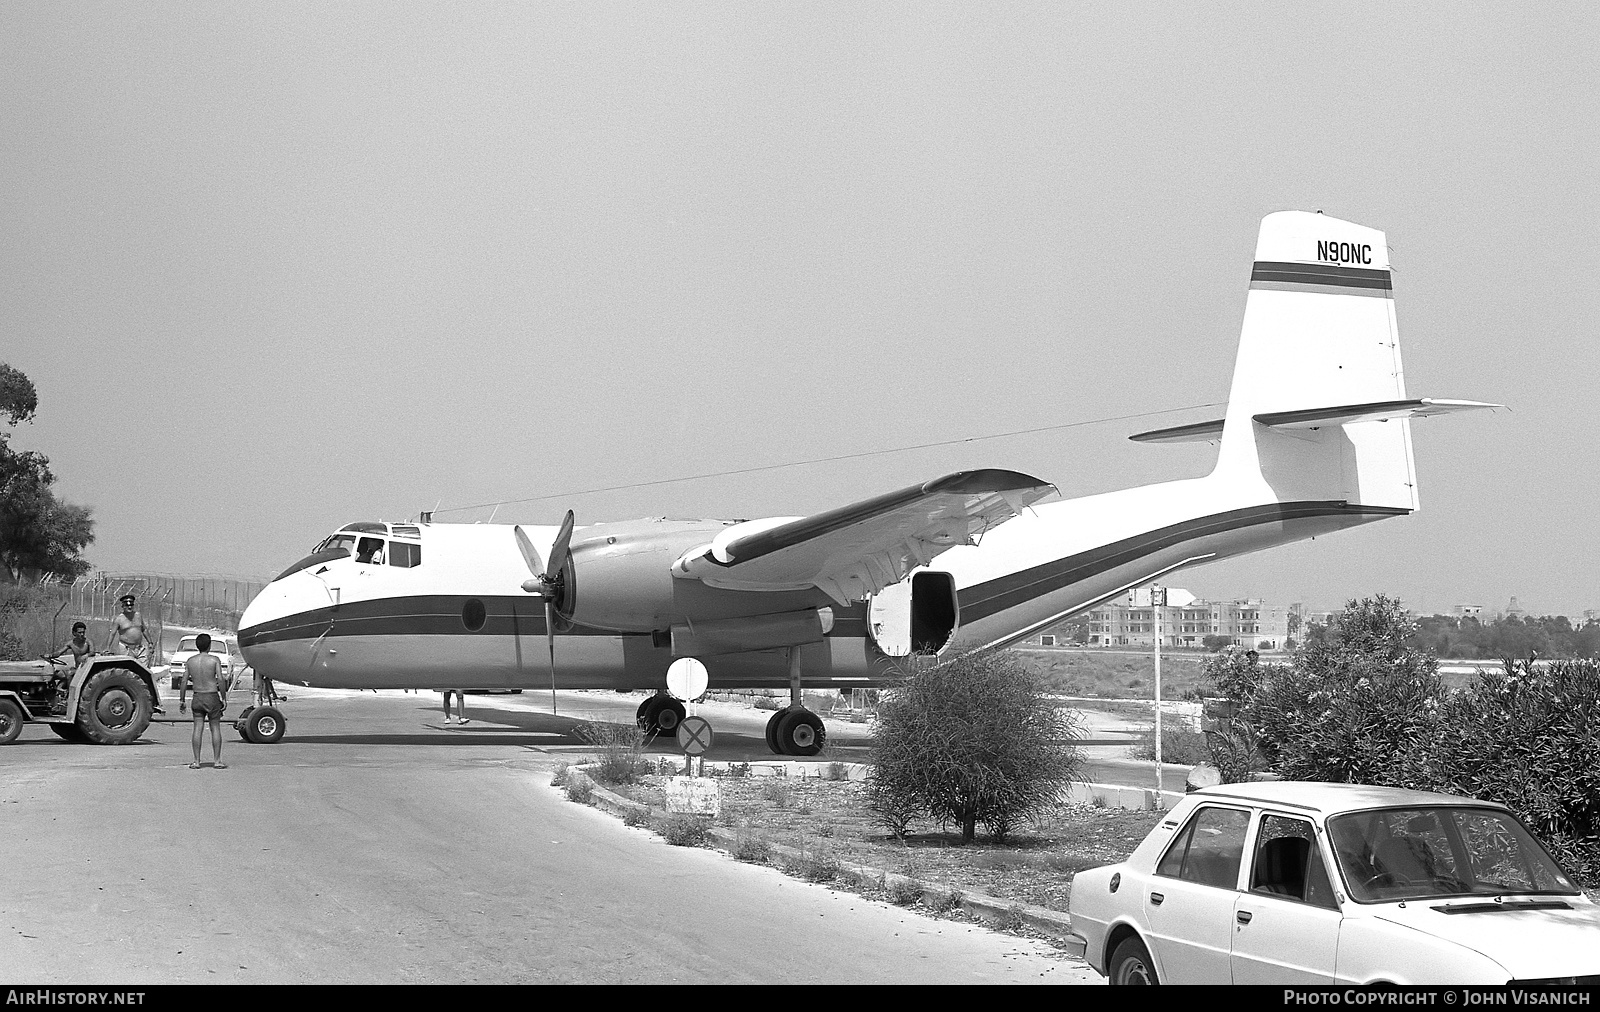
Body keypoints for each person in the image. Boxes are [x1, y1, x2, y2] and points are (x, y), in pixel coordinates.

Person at [178, 632, 227, 769]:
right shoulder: (214, 659)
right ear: (209, 645)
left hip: (198, 696)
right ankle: (217, 761)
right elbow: (221, 680)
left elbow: (183, 680)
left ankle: (196, 761)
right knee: (215, 727)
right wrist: (223, 697)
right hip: (211, 696)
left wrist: (182, 700)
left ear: (197, 645)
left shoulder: (191, 661)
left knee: (197, 728)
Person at [107, 593, 162, 712]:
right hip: (125, 649)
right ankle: (127, 697)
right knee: (126, 674)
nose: (129, 607)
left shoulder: (138, 616)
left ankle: (148, 699)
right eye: (127, 605)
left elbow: (144, 629)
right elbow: (112, 633)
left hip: (140, 649)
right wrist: (107, 647)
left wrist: (150, 643)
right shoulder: (119, 619)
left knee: (144, 673)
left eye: (131, 604)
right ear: (122, 606)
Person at [47, 621, 95, 706]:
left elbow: (92, 652)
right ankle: (55, 696)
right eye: (79, 632)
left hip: (85, 669)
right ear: (74, 633)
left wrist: (86, 655)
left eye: (83, 632)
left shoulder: (88, 642)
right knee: (56, 674)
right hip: (76, 668)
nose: (82, 634)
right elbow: (59, 652)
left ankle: (70, 697)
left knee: (70, 673)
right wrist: (50, 655)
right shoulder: (71, 643)